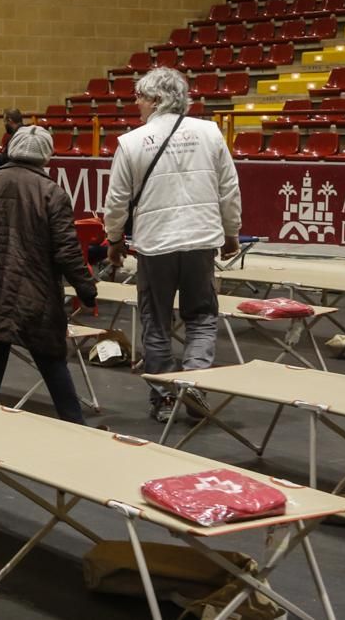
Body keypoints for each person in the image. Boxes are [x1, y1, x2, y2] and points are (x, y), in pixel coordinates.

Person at [102, 67, 242, 423]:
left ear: (157, 99)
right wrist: (231, 232)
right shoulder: (210, 133)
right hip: (200, 240)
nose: (135, 103)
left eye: (139, 97)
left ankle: (165, 397)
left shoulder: (131, 142)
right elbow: (229, 189)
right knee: (202, 317)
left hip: (155, 243)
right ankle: (194, 381)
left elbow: (117, 200)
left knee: (155, 321)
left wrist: (114, 239)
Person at [0, 126, 98, 424]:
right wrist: (86, 289)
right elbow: (67, 250)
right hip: (34, 289)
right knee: (51, 358)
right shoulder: (53, 193)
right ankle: (77, 426)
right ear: (46, 156)